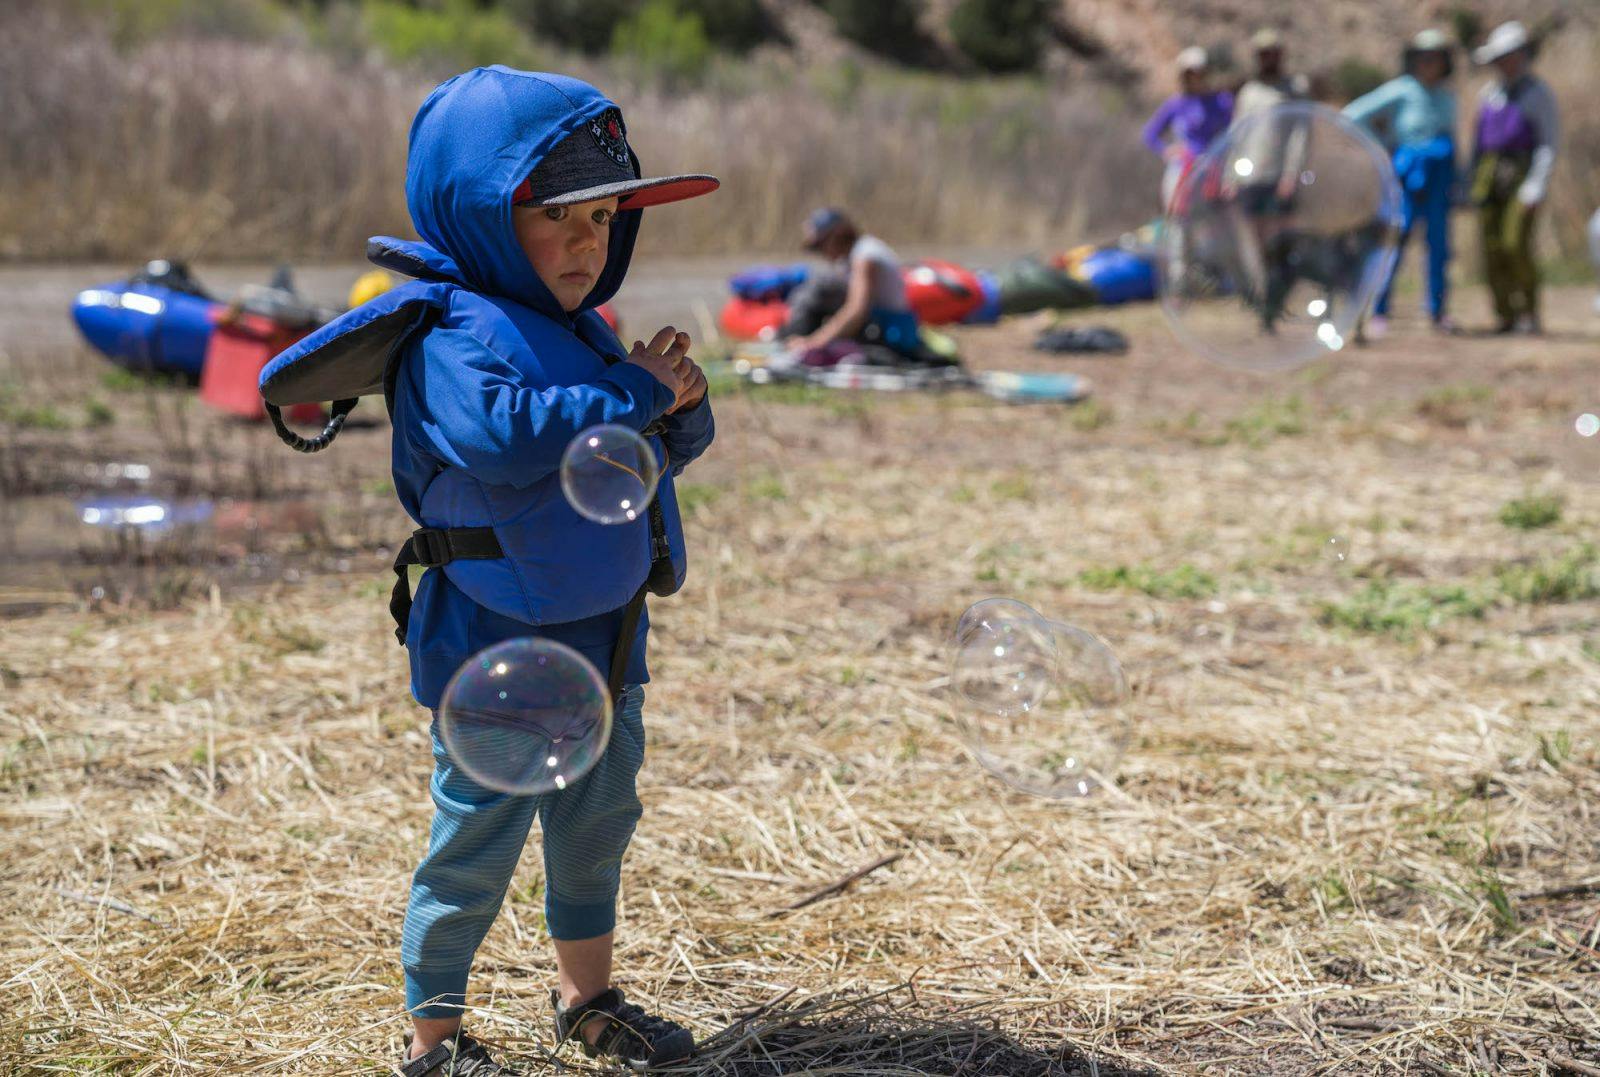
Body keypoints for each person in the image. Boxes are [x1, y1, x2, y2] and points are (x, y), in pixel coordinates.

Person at [277, 67, 720, 1075]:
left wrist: (676, 406)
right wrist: (627, 390)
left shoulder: (584, 334)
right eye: (559, 219)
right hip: (496, 638)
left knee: (597, 823)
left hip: (602, 641)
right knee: (473, 846)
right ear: (480, 218)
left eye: (603, 219)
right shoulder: (448, 340)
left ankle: (588, 1002)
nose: (586, 244)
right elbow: (512, 442)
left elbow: (629, 459)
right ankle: (433, 1042)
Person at [1344, 29, 1460, 336]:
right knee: (1394, 240)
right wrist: (1382, 145)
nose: (1429, 63)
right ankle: (1379, 310)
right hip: (1407, 176)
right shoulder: (1402, 90)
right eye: (1424, 57)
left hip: (1440, 177)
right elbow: (1354, 115)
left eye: (1435, 57)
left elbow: (1452, 136)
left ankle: (1438, 311)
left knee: (1438, 246)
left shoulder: (1448, 97)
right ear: (1414, 60)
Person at [1470, 20, 1560, 334]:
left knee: (1515, 244)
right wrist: (1470, 180)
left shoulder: (1538, 93)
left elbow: (1548, 143)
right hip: (1488, 176)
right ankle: (1505, 314)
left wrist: (1536, 185)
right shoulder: (1489, 94)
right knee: (1492, 248)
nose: (1506, 62)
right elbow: (1478, 145)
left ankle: (1529, 313)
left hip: (1520, 176)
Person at [789, 207, 925, 361]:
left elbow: (857, 310)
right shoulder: (850, 257)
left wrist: (815, 342)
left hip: (891, 333)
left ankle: (803, 350)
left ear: (836, 236)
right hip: (877, 326)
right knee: (815, 290)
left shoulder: (865, 255)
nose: (821, 253)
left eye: (820, 246)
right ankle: (794, 344)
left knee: (817, 293)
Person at [1141, 46, 1233, 211]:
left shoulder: (1221, 101)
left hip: (1213, 169)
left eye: (1199, 72)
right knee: (1179, 215)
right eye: (1191, 74)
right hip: (1183, 169)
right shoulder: (1177, 104)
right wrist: (1166, 150)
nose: (1196, 78)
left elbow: (1232, 133)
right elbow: (1150, 134)